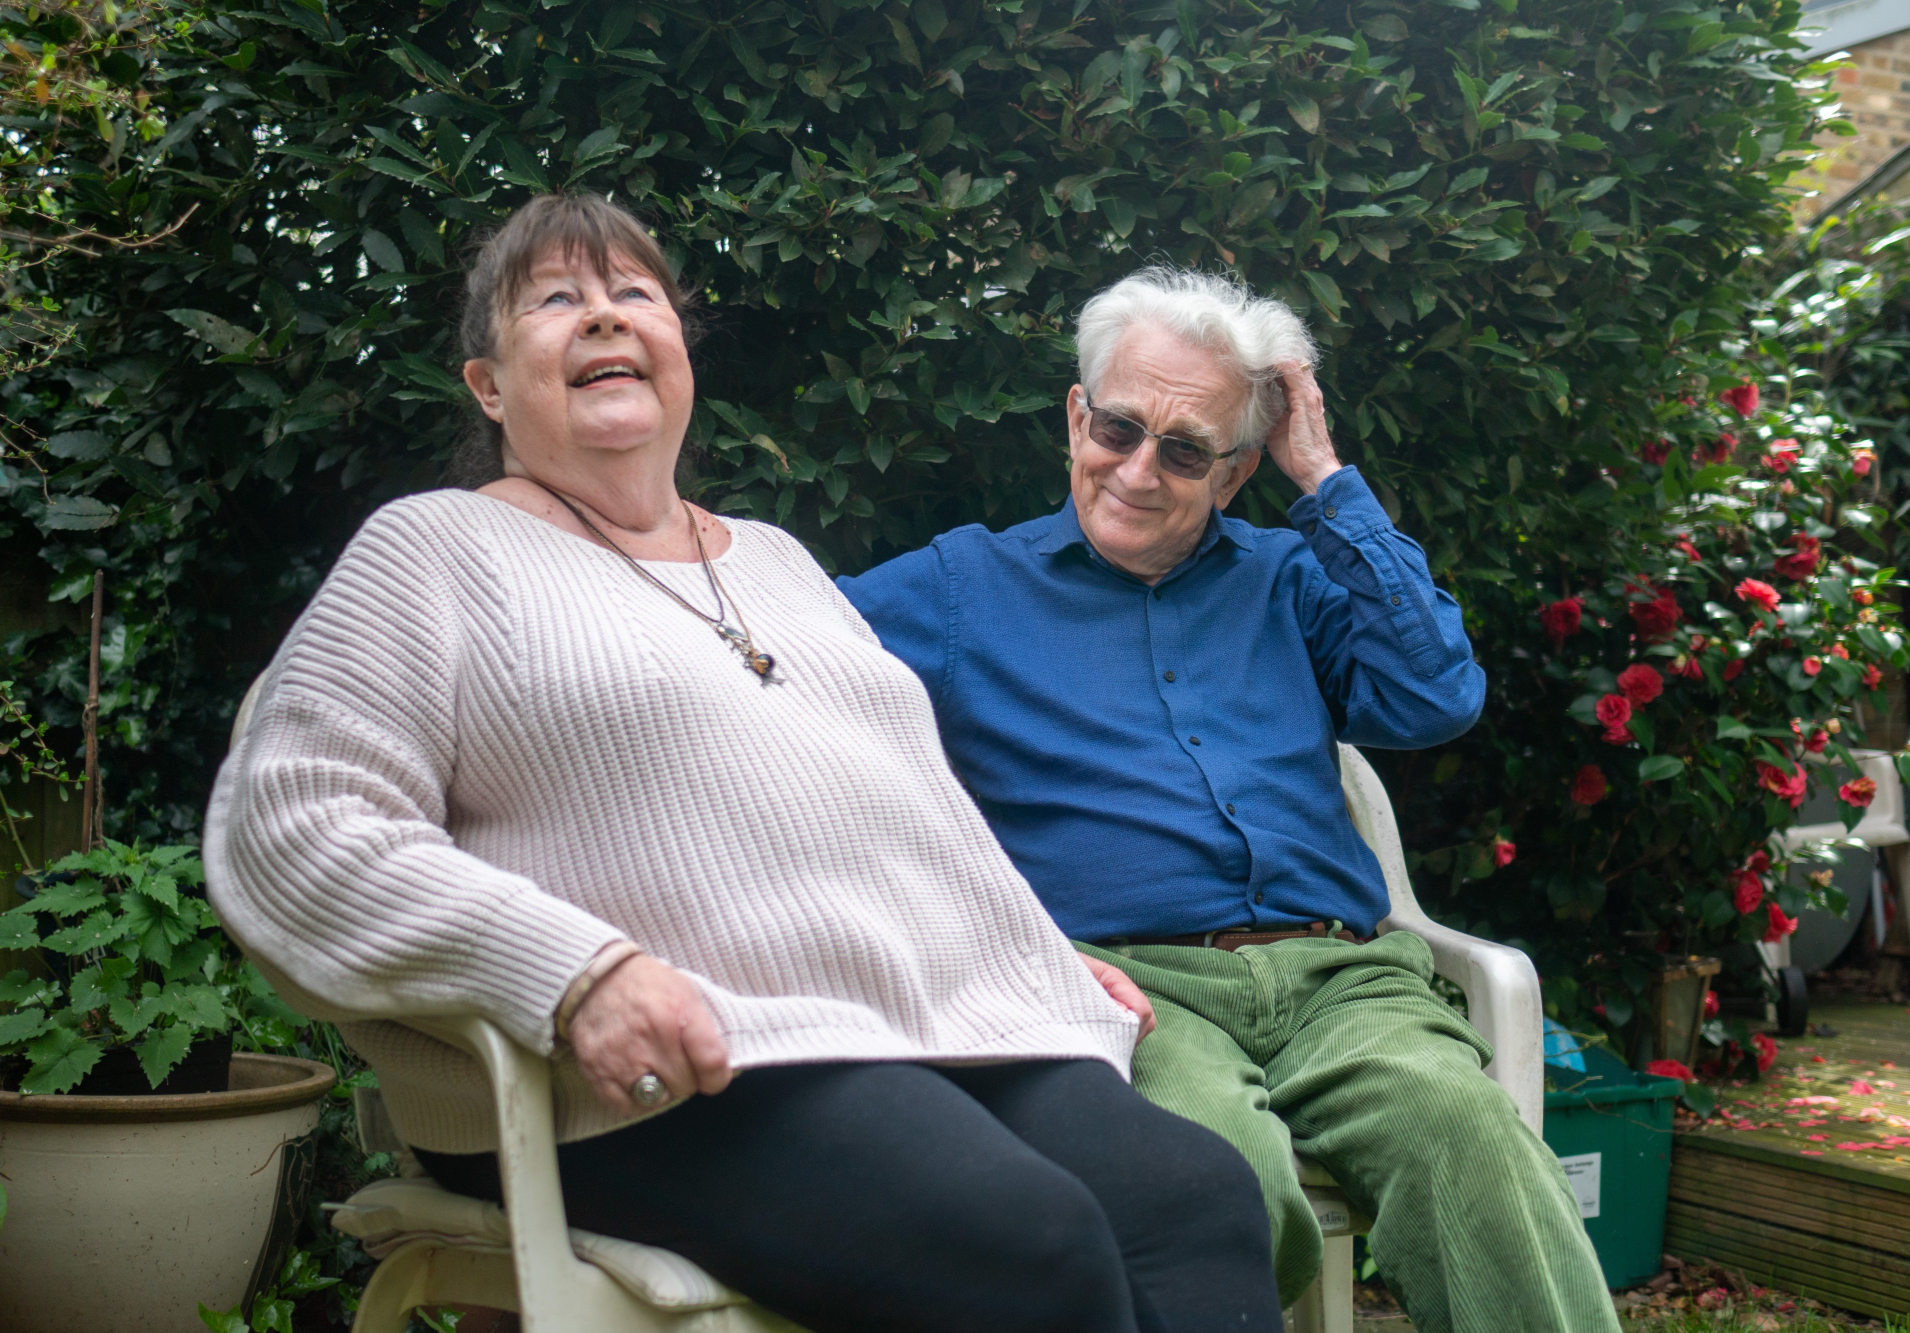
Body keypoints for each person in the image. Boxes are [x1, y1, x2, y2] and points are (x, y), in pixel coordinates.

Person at [204, 198, 1284, 1333]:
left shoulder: (774, 561)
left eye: (634, 294)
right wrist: (576, 974)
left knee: (1200, 1198)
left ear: (679, 351)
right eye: (557, 298)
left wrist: (1035, 952)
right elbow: (294, 824)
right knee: (1024, 1238)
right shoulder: (435, 549)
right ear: (487, 384)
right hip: (650, 1073)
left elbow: (902, 809)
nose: (603, 318)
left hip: (905, 1024)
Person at [841, 267, 1620, 1333]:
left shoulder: (1286, 577)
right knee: (1219, 1175)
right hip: (1133, 990)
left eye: (1184, 449)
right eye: (1116, 427)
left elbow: (1433, 694)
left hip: (1342, 979)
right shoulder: (957, 588)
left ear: (1237, 468)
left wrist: (1326, 479)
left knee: (1469, 1132)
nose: (1136, 470)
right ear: (1075, 415)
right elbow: (778, 697)